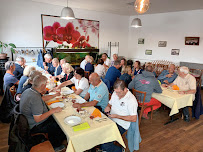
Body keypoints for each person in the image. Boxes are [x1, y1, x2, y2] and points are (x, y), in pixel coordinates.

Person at [19, 75, 66, 150]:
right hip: (35, 125)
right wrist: (52, 111)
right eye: (46, 84)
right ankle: (55, 146)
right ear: (42, 85)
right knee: (59, 124)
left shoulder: (29, 91)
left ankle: (59, 138)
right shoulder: (35, 98)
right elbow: (38, 119)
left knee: (57, 118)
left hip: (28, 121)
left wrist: (54, 95)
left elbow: (42, 98)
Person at [102, 80, 138, 152]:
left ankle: (120, 150)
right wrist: (108, 107)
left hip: (121, 124)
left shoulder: (131, 100)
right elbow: (110, 104)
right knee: (97, 134)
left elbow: (134, 118)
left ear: (125, 89)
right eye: (116, 92)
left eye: (119, 92)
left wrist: (118, 116)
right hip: (111, 120)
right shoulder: (115, 93)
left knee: (105, 144)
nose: (117, 94)